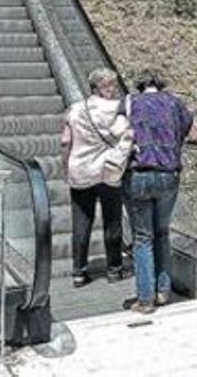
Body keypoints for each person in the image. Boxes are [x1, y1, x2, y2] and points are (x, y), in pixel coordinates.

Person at [114, 69, 193, 314]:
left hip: (139, 174)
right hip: (169, 174)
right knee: (162, 233)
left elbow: (115, 131)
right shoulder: (175, 103)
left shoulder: (128, 102)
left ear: (139, 85)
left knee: (143, 238)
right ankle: (163, 291)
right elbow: (187, 125)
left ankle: (145, 299)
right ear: (160, 84)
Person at [61, 68, 130, 288]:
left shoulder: (74, 109)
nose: (113, 89)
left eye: (114, 85)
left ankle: (79, 272)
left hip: (80, 170)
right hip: (109, 170)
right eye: (109, 85)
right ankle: (114, 270)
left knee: (81, 222)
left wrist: (66, 167)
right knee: (112, 220)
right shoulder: (117, 108)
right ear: (98, 87)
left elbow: (65, 142)